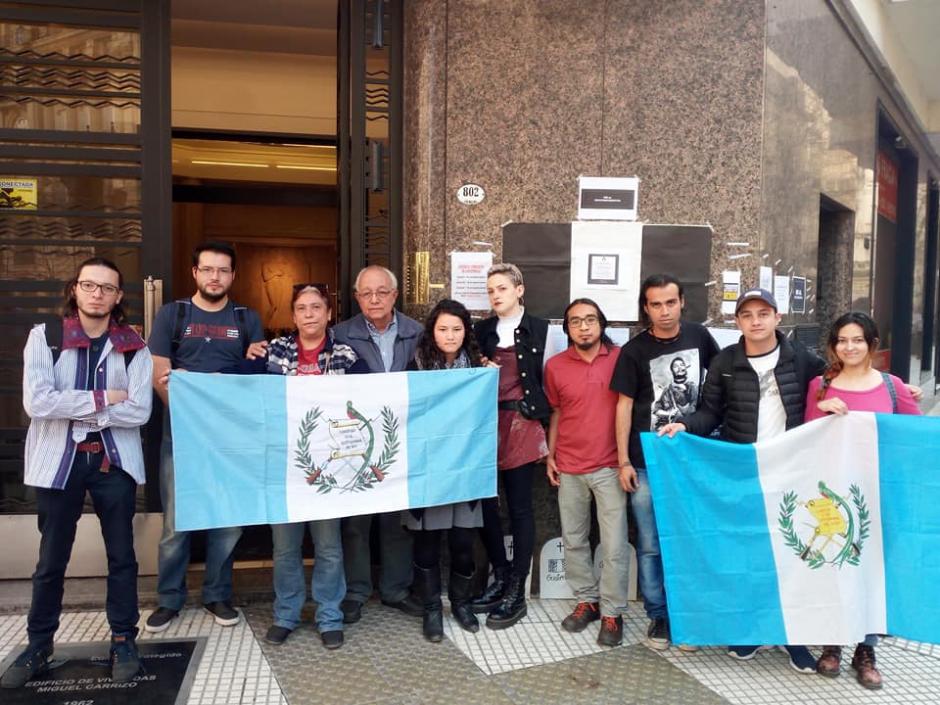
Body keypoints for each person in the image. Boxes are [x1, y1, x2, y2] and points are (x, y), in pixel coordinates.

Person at [2, 258, 152, 688]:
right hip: (60, 464)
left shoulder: (133, 344)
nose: (98, 293)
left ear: (118, 296)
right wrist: (106, 398)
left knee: (122, 556)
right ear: (75, 289)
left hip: (113, 463)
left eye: (107, 288)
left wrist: (81, 410)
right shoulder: (44, 337)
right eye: (90, 285)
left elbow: (140, 409)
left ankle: (123, 638)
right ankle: (38, 644)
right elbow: (37, 404)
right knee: (51, 559)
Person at [659, 288, 822, 673]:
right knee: (748, 551)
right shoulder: (727, 362)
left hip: (790, 471)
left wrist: (894, 390)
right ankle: (750, 628)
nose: (756, 321)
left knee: (792, 552)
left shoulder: (801, 359)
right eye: (747, 315)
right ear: (738, 322)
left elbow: (836, 381)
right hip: (743, 471)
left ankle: (794, 636)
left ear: (778, 317)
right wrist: (685, 424)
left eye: (763, 313)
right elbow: (711, 411)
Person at [145, 242, 265, 633]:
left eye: (223, 270)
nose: (215, 277)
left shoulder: (247, 319)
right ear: (195, 272)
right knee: (176, 525)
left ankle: (217, 594)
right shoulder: (173, 315)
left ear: (233, 276)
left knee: (228, 521)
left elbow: (256, 376)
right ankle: (169, 599)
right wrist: (190, 411)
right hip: (181, 436)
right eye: (208, 269)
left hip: (232, 439)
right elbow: (158, 371)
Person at [242, 284, 366, 649]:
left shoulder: (346, 355)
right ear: (293, 315)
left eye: (316, 307)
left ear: (329, 314)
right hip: (283, 467)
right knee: (285, 548)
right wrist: (190, 382)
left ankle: (330, 615)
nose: (309, 313)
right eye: (301, 308)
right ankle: (287, 614)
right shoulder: (272, 352)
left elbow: (368, 402)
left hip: (329, 470)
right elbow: (237, 389)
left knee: (328, 547)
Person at [805, 311, 920, 690]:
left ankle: (866, 649)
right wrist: (821, 412)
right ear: (833, 345)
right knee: (834, 563)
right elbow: (804, 437)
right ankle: (833, 642)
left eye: (857, 340)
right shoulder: (820, 386)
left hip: (877, 495)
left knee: (871, 570)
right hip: (833, 496)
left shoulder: (892, 387)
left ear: (872, 345)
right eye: (842, 340)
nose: (849, 347)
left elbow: (914, 438)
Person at [609, 274, 719, 651]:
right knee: (652, 543)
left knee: (692, 538)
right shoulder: (634, 351)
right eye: (656, 304)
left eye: (670, 302)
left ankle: (688, 614)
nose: (664, 311)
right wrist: (623, 460)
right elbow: (623, 406)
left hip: (693, 457)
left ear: (682, 302)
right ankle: (659, 615)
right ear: (645, 308)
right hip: (646, 462)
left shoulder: (700, 338)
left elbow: (721, 384)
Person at [331, 265, 423, 623]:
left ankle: (396, 588)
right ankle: (355, 590)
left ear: (395, 295)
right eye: (366, 293)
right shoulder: (338, 335)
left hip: (401, 442)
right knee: (355, 521)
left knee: (396, 517)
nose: (374, 299)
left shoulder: (418, 333)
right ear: (356, 297)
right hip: (354, 443)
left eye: (382, 292)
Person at [545, 298, 629, 647]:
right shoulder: (555, 366)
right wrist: (550, 454)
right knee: (574, 539)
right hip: (569, 465)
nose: (583, 327)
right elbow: (557, 413)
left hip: (609, 466)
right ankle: (587, 602)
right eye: (575, 321)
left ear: (602, 325)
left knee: (613, 545)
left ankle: (612, 612)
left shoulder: (622, 359)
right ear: (566, 329)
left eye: (590, 320)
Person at [471, 263, 549, 629]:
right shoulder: (480, 330)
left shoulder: (542, 330)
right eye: (490, 290)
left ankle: (517, 587)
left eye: (501, 287)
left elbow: (552, 378)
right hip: (486, 425)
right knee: (486, 506)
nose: (495, 295)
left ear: (520, 289)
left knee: (520, 508)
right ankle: (500, 575)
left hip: (522, 424)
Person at [404, 299, 487, 642]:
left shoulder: (478, 369)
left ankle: (461, 603)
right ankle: (431, 609)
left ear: (466, 331)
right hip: (428, 470)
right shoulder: (417, 367)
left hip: (466, 468)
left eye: (457, 329)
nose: (450, 336)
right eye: (442, 329)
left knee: (463, 542)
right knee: (426, 544)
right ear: (431, 332)